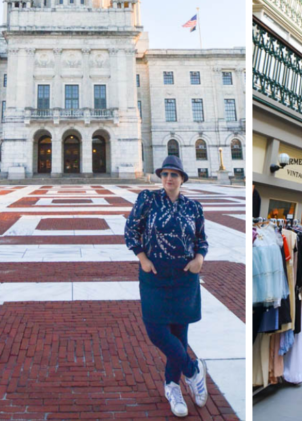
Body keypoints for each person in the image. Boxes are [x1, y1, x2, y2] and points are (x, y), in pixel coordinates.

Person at [124, 155, 209, 417]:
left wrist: (199, 259)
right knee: (156, 330)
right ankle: (193, 370)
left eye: (174, 174)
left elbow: (201, 240)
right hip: (155, 275)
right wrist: (143, 259)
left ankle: (172, 387)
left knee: (179, 336)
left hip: (184, 277)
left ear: (182, 178)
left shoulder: (194, 207)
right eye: (165, 174)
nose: (169, 179)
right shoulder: (147, 200)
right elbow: (130, 231)